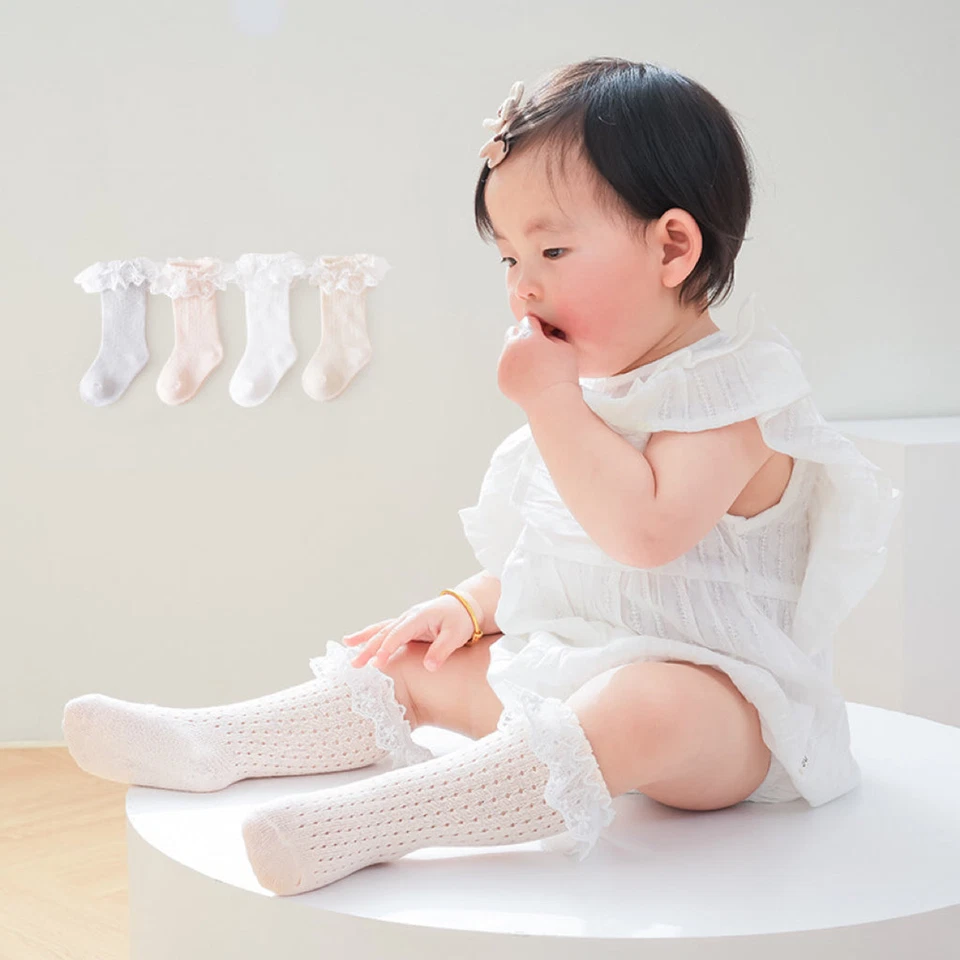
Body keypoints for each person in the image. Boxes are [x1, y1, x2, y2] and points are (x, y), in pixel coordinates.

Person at [62, 58, 901, 896]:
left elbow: (643, 538)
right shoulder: (595, 387)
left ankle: (375, 822)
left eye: (553, 248)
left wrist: (551, 403)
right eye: (507, 258)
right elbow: (564, 551)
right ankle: (216, 743)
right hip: (575, 666)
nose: (523, 285)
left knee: (651, 700)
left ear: (673, 246)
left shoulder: (735, 392)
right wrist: (468, 605)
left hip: (723, 721)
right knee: (412, 659)